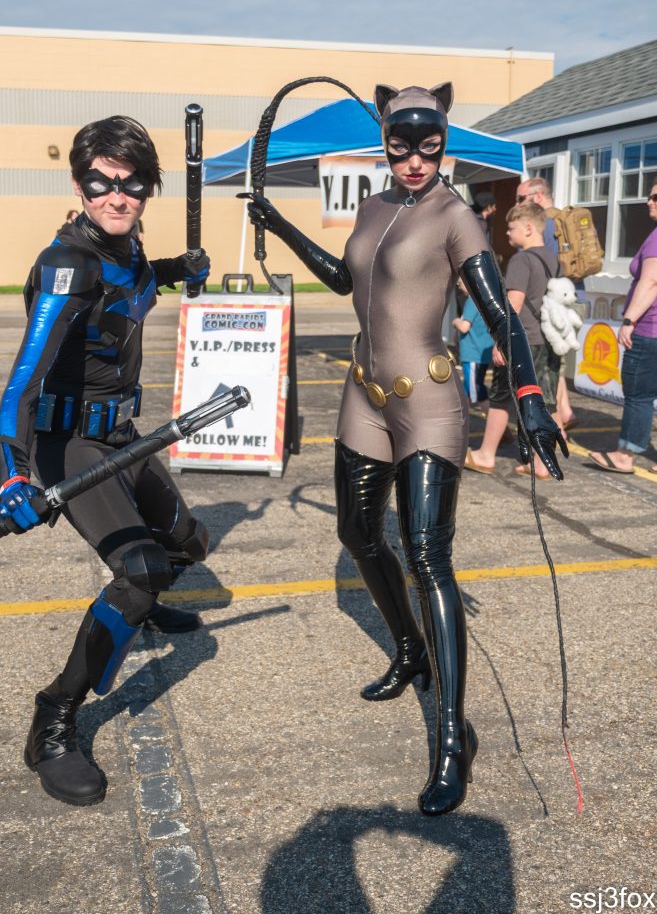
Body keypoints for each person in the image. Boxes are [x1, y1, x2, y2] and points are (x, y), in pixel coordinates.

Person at [242, 83, 566, 816]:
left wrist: (530, 398)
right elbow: (344, 281)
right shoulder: (374, 205)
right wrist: (280, 226)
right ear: (383, 142)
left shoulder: (455, 216)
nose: (415, 160)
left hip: (426, 399)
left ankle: (453, 738)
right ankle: (410, 649)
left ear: (442, 143)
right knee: (357, 533)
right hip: (363, 393)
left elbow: (496, 311)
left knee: (427, 556)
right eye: (400, 145)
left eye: (429, 146)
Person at [0, 115, 211, 806]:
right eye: (101, 184)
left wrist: (180, 270)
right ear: (79, 184)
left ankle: (137, 607)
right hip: (67, 443)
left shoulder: (126, 247)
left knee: (187, 542)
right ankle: (54, 718)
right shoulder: (67, 266)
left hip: (121, 434)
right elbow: (20, 385)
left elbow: (134, 282)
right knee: (141, 572)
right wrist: (13, 478)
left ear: (148, 187)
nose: (117, 197)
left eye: (132, 184)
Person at [466, 202, 563, 479]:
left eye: (512, 228)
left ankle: (486, 454)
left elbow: (514, 304)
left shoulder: (522, 260)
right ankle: (544, 461)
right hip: (546, 340)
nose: (507, 234)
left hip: (522, 341)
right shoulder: (552, 259)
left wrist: (501, 342)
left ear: (529, 228)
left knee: (501, 397)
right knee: (546, 400)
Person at [589, 185, 657, 474]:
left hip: (649, 329)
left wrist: (629, 320)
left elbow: (651, 282)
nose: (648, 201)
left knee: (639, 394)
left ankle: (625, 455)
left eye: (655, 196)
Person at [516, 177, 577, 429]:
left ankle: (557, 428)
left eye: (521, 199)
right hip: (572, 298)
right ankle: (565, 416)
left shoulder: (542, 226)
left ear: (538, 197)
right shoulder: (562, 223)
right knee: (556, 367)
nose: (517, 204)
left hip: (552, 309)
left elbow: (536, 274)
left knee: (548, 373)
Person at [452, 280, 492, 413]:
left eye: (460, 281)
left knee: (477, 391)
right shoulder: (483, 301)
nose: (458, 284)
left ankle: (501, 431)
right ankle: (462, 425)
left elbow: (464, 327)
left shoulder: (471, 301)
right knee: (467, 391)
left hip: (473, 353)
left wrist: (455, 321)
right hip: (481, 352)